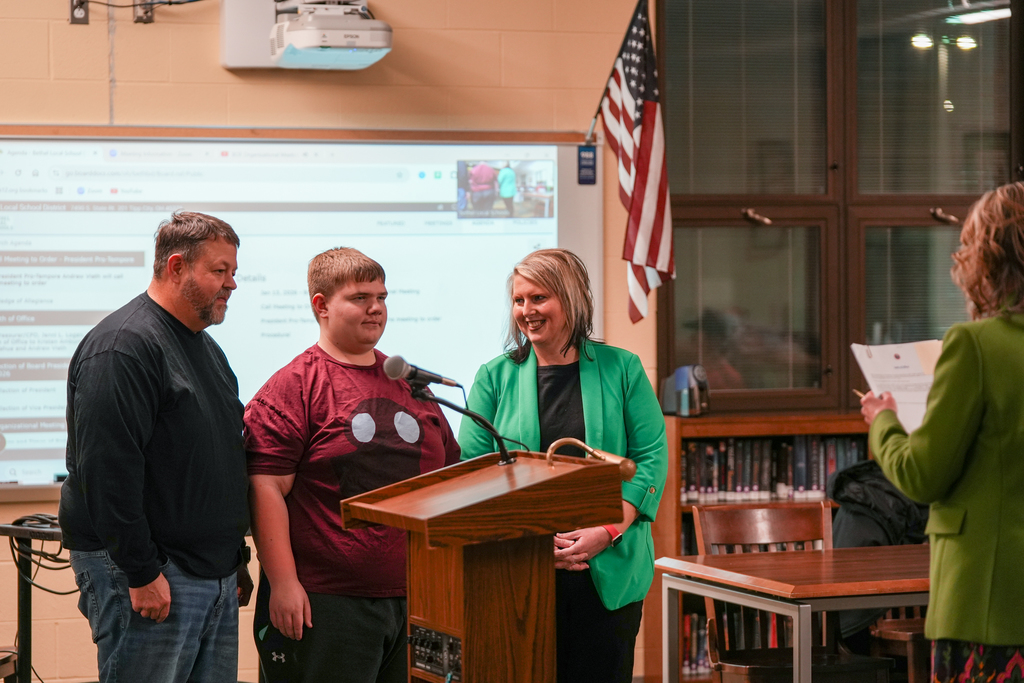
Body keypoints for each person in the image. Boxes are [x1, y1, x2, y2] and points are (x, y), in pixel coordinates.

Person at [245, 247, 461, 683]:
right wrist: (284, 583)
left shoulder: (410, 380)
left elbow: (448, 477)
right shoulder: (296, 384)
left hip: (422, 596)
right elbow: (266, 488)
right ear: (321, 306)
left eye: (382, 297)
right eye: (361, 297)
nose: (376, 308)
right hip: (329, 602)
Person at [59, 211, 252, 683]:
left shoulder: (206, 349)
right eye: (219, 271)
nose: (231, 284)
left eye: (234, 272)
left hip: (213, 576)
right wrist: (141, 573)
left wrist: (235, 561)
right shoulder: (123, 347)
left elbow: (222, 457)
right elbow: (108, 472)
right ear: (177, 267)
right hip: (153, 576)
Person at [459, 248, 668, 683]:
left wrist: (606, 531)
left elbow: (650, 460)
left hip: (608, 567)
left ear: (570, 300)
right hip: (520, 567)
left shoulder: (623, 369)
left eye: (539, 299)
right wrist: (533, 543)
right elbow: (471, 474)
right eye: (519, 300)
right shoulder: (493, 377)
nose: (526, 311)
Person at [860, 181, 1024, 682]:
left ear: (986, 259)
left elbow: (923, 475)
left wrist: (883, 421)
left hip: (984, 600)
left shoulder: (974, 345)